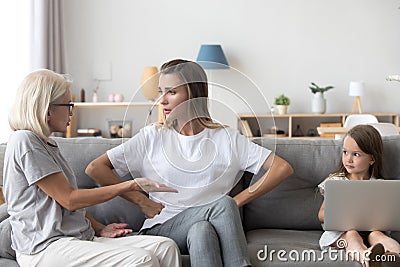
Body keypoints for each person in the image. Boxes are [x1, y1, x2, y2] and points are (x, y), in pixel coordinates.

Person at [85, 59, 294, 266]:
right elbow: (96, 168)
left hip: (206, 226)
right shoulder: (152, 136)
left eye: (171, 92)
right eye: (161, 92)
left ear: (194, 94)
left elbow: (281, 168)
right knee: (220, 207)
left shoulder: (226, 138)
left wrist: (234, 203)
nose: (162, 100)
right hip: (162, 229)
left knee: (201, 229)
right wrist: (141, 200)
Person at [4, 69, 181, 267]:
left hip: (76, 239)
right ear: (47, 107)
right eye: (67, 105)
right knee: (143, 260)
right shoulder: (24, 141)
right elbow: (69, 199)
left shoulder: (49, 144)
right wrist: (128, 186)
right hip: (44, 247)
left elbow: (64, 205)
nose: (72, 111)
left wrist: (99, 228)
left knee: (166, 247)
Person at [317, 124, 400, 267]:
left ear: (372, 159)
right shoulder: (336, 182)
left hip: (372, 230)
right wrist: (343, 214)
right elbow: (321, 214)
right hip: (342, 232)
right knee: (351, 234)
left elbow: (389, 214)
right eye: (345, 152)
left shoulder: (380, 185)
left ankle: (394, 257)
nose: (348, 159)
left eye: (356, 154)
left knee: (377, 236)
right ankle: (367, 259)